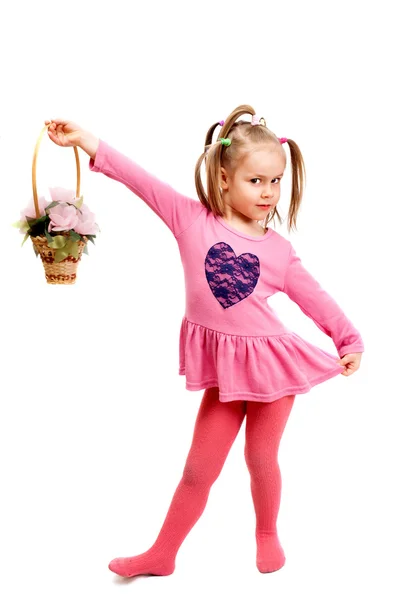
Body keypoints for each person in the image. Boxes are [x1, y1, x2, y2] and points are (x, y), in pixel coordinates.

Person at [45, 104, 364, 576]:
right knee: (198, 470)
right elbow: (141, 180)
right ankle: (163, 554)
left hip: (273, 371)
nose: (268, 192)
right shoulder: (191, 220)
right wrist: (87, 139)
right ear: (222, 179)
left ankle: (266, 533)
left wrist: (348, 339)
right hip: (225, 375)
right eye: (256, 181)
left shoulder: (278, 251)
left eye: (275, 181)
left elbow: (314, 297)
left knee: (260, 458)